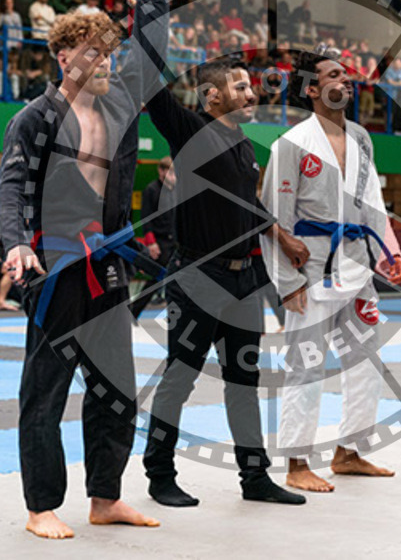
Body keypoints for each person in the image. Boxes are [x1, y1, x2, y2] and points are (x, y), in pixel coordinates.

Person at [0, 0, 178, 540]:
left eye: (108, 52)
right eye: (94, 53)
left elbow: (148, 60)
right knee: (44, 390)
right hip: (54, 261)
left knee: (116, 386)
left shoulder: (119, 106)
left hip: (108, 260)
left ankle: (105, 496)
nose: (105, 62)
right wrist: (17, 243)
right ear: (64, 57)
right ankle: (41, 506)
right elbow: (12, 187)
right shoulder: (34, 118)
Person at [142, 55, 307, 508]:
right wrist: (149, 9)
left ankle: (254, 479)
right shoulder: (191, 133)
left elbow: (245, 203)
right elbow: (150, 87)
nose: (251, 94)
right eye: (239, 87)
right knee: (179, 379)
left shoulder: (243, 144)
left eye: (250, 86)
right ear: (211, 96)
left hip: (243, 282)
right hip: (197, 277)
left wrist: (281, 235)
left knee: (243, 381)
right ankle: (159, 476)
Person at [259, 48, 401, 493]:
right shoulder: (291, 144)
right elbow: (274, 217)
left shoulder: (362, 138)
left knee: (365, 361)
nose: (346, 81)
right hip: (313, 270)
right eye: (334, 75)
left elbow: (373, 199)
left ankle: (350, 451)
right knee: (306, 365)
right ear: (312, 88)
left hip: (358, 263)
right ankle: (297, 462)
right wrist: (287, 284)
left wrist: (390, 249)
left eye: (346, 74)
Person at [130, 156, 176, 319]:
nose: (172, 176)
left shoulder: (175, 191)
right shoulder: (151, 190)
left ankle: (174, 314)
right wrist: (151, 243)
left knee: (176, 281)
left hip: (174, 242)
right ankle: (133, 311)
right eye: (169, 172)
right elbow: (146, 218)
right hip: (159, 241)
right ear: (161, 171)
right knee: (155, 279)